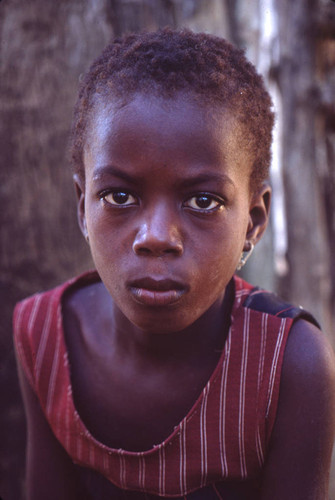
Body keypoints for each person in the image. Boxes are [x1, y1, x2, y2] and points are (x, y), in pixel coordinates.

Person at [13, 29, 335, 499]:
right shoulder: (42, 336)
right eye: (119, 196)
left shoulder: (289, 365)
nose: (157, 237)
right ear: (83, 207)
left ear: (253, 221)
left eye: (203, 201)